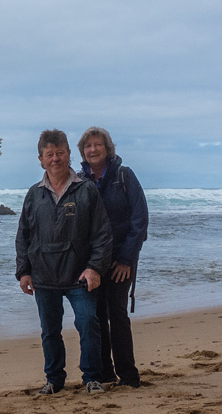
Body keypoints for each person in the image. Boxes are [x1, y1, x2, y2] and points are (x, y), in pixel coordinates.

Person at [15, 129, 113, 396]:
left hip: (79, 276)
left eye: (60, 153)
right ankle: (54, 380)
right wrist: (23, 272)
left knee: (88, 324)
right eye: (49, 154)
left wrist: (94, 268)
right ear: (41, 159)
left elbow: (102, 234)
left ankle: (92, 378)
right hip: (44, 276)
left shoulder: (86, 189)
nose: (55, 158)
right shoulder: (34, 194)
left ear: (69, 154)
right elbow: (23, 236)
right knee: (50, 331)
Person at [77, 127, 149, 388]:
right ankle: (105, 373)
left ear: (107, 148)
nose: (93, 150)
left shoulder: (124, 176)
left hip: (120, 260)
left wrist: (127, 259)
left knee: (116, 314)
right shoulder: (79, 181)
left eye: (98, 144)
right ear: (82, 152)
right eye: (88, 146)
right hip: (93, 262)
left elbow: (140, 221)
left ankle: (128, 376)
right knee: (96, 315)